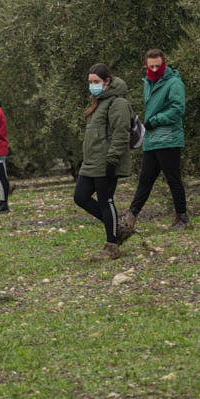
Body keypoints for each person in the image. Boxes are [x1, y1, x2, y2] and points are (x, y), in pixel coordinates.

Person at [120, 48, 187, 237]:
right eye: (152, 66)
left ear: (164, 63)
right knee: (145, 180)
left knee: (173, 179)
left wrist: (155, 120)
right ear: (146, 65)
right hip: (151, 139)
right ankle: (130, 217)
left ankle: (182, 218)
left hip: (168, 139)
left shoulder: (174, 83)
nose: (155, 69)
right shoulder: (147, 83)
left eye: (158, 66)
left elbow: (177, 109)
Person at [74, 63, 132, 260]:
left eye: (96, 81)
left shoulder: (118, 102)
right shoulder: (97, 101)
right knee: (80, 197)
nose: (92, 85)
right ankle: (118, 228)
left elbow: (121, 133)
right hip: (91, 161)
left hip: (106, 160)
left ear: (107, 81)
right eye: (90, 82)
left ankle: (112, 245)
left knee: (106, 200)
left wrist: (112, 159)